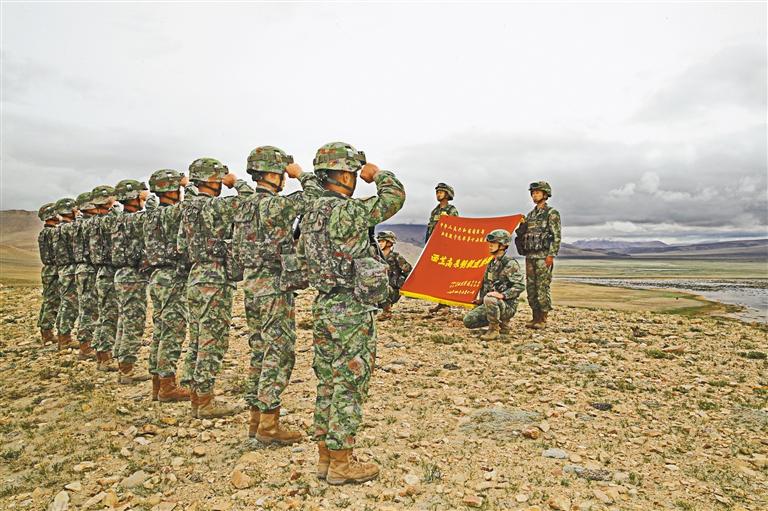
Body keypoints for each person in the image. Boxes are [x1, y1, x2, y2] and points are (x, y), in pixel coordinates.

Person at [299, 141, 405, 485]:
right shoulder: (345, 211)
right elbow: (393, 198)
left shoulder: (312, 213)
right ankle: (342, 463)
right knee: (350, 383)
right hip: (351, 309)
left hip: (324, 304)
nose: (357, 178)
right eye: (354, 173)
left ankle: (325, 457)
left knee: (328, 382)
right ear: (344, 175)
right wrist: (379, 175)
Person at [232, 145, 322, 444]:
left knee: (259, 349)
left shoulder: (243, 205)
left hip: (251, 284)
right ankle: (269, 426)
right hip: (273, 286)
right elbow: (315, 197)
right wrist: (302, 175)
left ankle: (256, 420)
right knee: (279, 352)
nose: (284, 176)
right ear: (273, 173)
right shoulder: (275, 205)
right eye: (282, 172)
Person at [177, 157, 240, 419]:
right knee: (212, 340)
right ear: (213, 180)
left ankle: (196, 396)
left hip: (195, 275)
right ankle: (204, 401)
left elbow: (181, 245)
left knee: (197, 337)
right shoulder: (216, 206)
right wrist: (237, 183)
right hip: (214, 277)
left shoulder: (188, 208)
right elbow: (251, 202)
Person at [144, 169, 192, 402]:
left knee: (161, 329)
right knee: (172, 331)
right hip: (172, 277)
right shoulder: (173, 213)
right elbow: (194, 205)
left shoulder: (151, 215)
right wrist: (189, 185)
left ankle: (157, 383)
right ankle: (167, 386)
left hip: (157, 277)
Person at [111, 179, 153, 384]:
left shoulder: (118, 219)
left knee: (124, 320)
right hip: (132, 277)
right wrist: (149, 197)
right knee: (133, 322)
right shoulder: (136, 219)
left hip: (121, 274)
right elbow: (154, 213)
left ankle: (122, 365)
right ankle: (126, 370)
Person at [463, 229, 525, 340]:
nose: (490, 246)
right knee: (468, 321)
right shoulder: (492, 263)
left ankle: (494, 329)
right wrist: (481, 300)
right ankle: (502, 327)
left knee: (490, 299)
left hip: (508, 306)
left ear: (502, 245)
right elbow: (487, 285)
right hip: (493, 303)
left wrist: (503, 295)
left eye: (494, 243)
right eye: (490, 243)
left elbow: (520, 286)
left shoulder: (510, 264)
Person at [516, 181, 561, 329]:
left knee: (542, 287)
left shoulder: (551, 213)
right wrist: (522, 224)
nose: (534, 195)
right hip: (530, 257)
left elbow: (556, 236)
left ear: (545, 194)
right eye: (533, 193)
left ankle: (542, 318)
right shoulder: (530, 215)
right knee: (531, 288)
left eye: (537, 192)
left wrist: (551, 255)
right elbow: (523, 234)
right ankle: (535, 316)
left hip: (543, 256)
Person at [88, 185, 120, 371]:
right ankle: (105, 357)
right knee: (109, 315)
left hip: (101, 271)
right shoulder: (110, 219)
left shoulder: (92, 221)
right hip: (109, 271)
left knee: (103, 314)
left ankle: (101, 355)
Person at [72, 191, 100, 360]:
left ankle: (88, 343)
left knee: (87, 307)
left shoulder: (78, 223)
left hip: (83, 268)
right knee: (89, 308)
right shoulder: (89, 223)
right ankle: (86, 347)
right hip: (89, 268)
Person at [51, 197, 81, 351]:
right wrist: (79, 216)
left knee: (66, 302)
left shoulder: (58, 228)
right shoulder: (69, 228)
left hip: (64, 269)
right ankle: (65, 338)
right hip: (69, 268)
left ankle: (63, 336)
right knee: (70, 303)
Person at [425, 183, 459, 314]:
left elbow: (455, 228)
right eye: (437, 192)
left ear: (447, 194)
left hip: (446, 248)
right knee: (438, 276)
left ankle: (447, 304)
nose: (438, 194)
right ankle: (440, 302)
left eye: (441, 192)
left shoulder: (451, 210)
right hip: (434, 247)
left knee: (446, 276)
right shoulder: (435, 211)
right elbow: (430, 229)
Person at [37, 203, 60, 346]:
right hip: (54, 270)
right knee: (53, 301)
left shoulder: (44, 233)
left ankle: (45, 330)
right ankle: (47, 333)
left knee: (48, 300)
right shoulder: (52, 233)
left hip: (48, 270)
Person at [375, 231, 412, 320]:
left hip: (392, 291)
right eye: (379, 241)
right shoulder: (376, 257)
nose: (380, 243)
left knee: (383, 287)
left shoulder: (396, 257)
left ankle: (387, 312)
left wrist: (402, 284)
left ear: (389, 243)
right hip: (377, 290)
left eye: (382, 241)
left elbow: (409, 272)